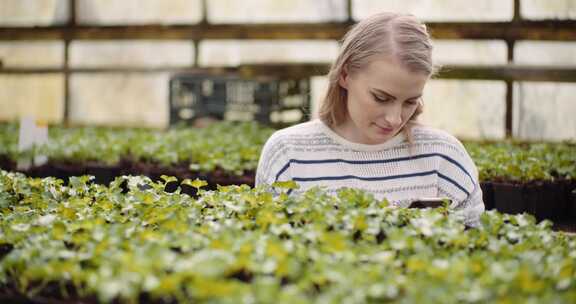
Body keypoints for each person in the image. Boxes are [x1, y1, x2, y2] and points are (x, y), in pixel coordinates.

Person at [255, 12, 484, 227]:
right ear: (345, 75)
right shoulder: (288, 154)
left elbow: (476, 254)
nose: (395, 119)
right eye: (381, 98)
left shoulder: (444, 157)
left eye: (410, 101)